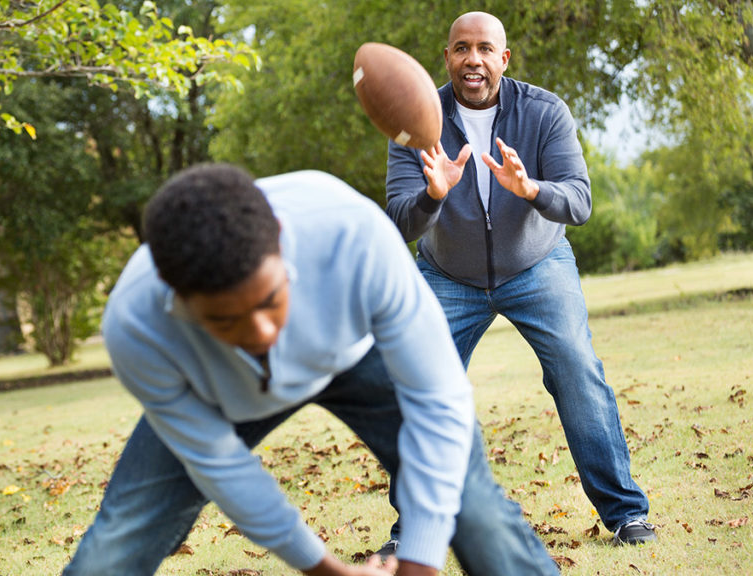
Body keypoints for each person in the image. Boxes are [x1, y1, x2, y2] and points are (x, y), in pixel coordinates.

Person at [62, 163, 559, 576]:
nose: (260, 333)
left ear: (280, 238)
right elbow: (221, 465)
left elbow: (440, 403)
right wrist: (326, 570)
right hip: (221, 392)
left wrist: (419, 564)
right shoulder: (136, 325)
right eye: (224, 320)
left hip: (354, 357)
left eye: (270, 299)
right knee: (111, 552)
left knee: (474, 510)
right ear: (176, 299)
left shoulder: (352, 232)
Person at [382, 11, 655, 552]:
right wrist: (433, 196)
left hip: (536, 265)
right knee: (419, 390)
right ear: (448, 58)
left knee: (577, 370)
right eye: (462, 48)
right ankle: (414, 530)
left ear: (503, 59)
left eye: (485, 48)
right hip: (446, 275)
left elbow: (579, 201)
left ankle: (625, 513)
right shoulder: (416, 118)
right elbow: (398, 218)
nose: (473, 59)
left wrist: (532, 190)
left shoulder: (543, 111)